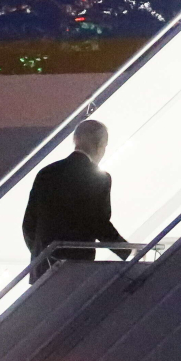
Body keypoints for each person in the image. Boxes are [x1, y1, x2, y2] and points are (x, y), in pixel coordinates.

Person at [22, 118, 129, 280]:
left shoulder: (46, 173)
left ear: (75, 140)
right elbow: (99, 223)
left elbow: (28, 224)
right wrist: (127, 250)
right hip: (77, 268)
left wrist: (43, 255)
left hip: (43, 269)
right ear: (100, 146)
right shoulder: (100, 178)